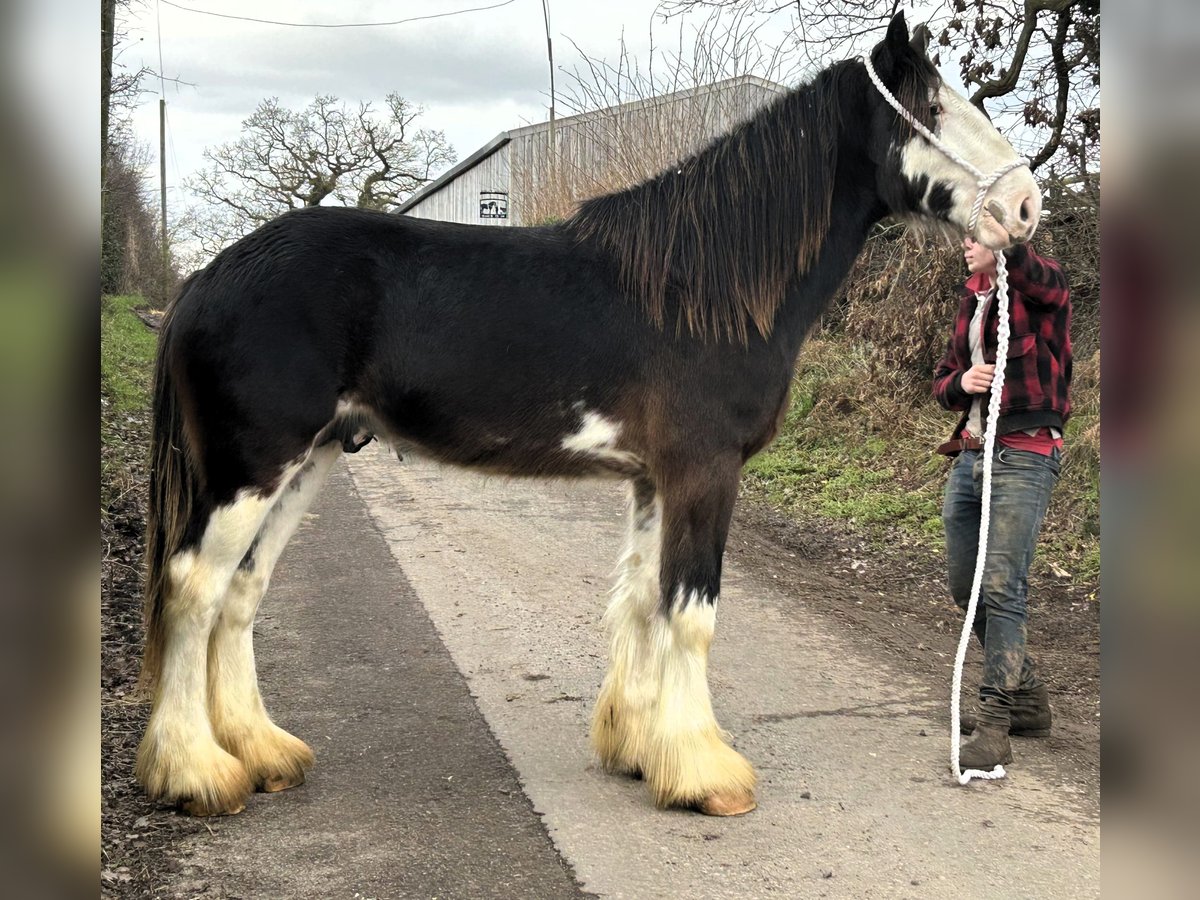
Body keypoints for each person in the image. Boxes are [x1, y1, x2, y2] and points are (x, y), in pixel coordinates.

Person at [933, 236, 1072, 769]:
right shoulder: (971, 300)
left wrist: (1001, 229)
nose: (964, 245)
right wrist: (961, 381)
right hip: (970, 455)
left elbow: (1034, 269)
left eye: (974, 237)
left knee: (1002, 585)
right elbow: (943, 378)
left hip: (1025, 454)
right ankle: (1028, 697)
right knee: (965, 585)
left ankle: (996, 723)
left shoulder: (1042, 287)